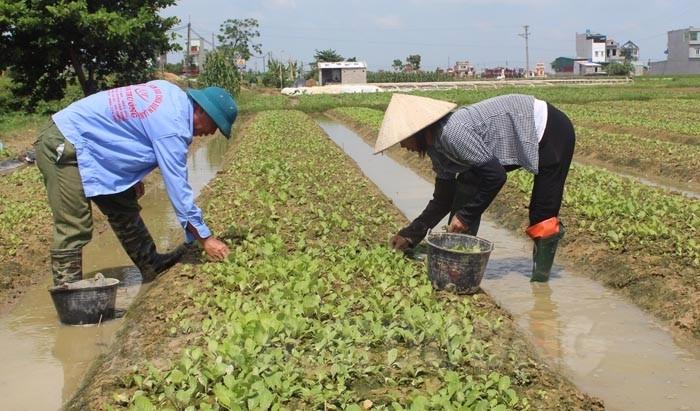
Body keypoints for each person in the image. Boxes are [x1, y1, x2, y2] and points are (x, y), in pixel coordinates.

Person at [35, 80, 237, 286]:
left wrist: (134, 176)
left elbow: (132, 127)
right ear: (201, 110)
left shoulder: (172, 95)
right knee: (75, 224)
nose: (212, 133)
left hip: (93, 146)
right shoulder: (173, 127)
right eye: (215, 125)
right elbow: (178, 189)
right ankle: (68, 294)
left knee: (123, 203)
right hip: (64, 142)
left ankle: (151, 264)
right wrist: (206, 239)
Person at [375, 93, 575, 282]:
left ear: (417, 130)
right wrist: (410, 235)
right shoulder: (435, 148)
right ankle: (459, 257)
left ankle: (540, 282)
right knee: (468, 182)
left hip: (549, 130)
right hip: (517, 134)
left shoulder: (452, 133)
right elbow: (443, 199)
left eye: (403, 139)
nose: (402, 146)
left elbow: (496, 176)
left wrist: (465, 216)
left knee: (542, 214)